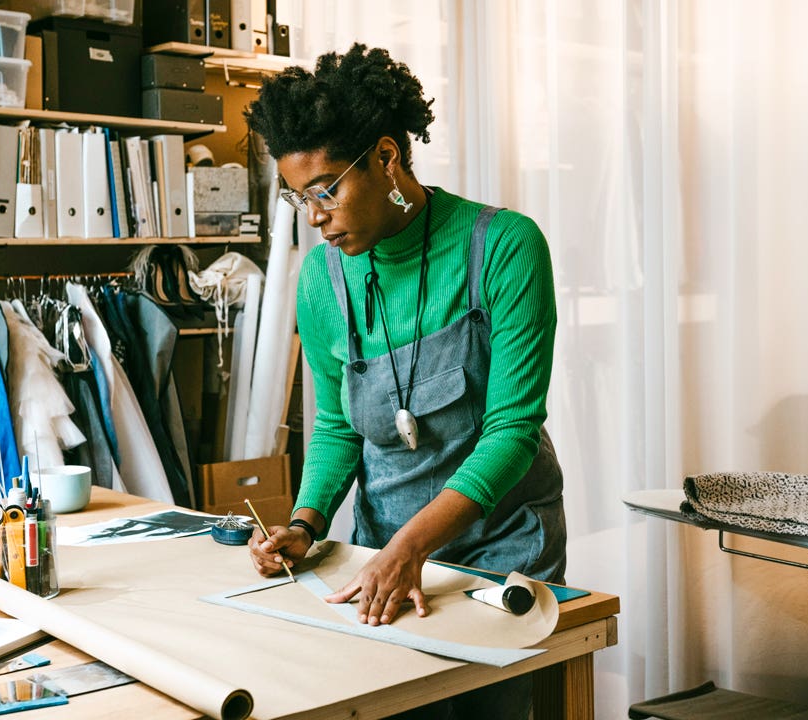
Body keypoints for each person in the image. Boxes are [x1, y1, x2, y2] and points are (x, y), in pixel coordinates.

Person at [244, 43, 566, 718]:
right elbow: (336, 426)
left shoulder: (503, 247)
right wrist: (305, 524)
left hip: (498, 553)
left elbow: (511, 432)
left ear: (387, 158)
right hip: (380, 554)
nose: (313, 216)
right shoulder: (320, 280)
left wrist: (411, 548)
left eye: (326, 189)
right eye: (298, 196)